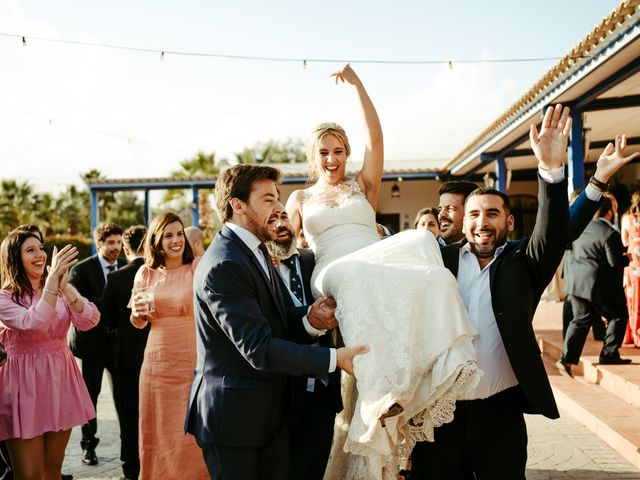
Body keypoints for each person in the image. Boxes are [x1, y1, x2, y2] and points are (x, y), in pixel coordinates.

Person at [411, 110, 638, 479]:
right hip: (440, 418)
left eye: (492, 214)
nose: (482, 222)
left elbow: (555, 231)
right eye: (474, 215)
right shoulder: (437, 261)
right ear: (463, 221)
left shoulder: (522, 262)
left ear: (509, 221)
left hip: (500, 417)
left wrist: (557, 171)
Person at [285, 65, 480, 479]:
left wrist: (358, 85)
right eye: (324, 151)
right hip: (334, 270)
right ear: (313, 156)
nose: (332, 158)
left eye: (338, 150)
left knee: (423, 243)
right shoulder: (300, 197)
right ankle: (379, 388)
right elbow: (282, 241)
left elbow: (376, 137)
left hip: (375, 260)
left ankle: (437, 356)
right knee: (355, 276)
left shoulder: (363, 186)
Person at [185, 164, 366, 480]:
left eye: (277, 198)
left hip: (269, 417)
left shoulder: (252, 251)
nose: (280, 207)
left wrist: (311, 320)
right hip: (234, 422)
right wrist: (334, 358)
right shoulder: (224, 265)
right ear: (237, 205)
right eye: (268, 199)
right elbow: (258, 348)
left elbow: (277, 321)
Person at [0, 228, 99, 479]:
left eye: (41, 248)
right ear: (14, 258)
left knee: (53, 469)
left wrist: (65, 288)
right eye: (30, 250)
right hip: (22, 386)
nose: (40, 254)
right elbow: (34, 322)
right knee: (29, 475)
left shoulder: (57, 287)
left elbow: (90, 320)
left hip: (59, 381)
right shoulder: (5, 298)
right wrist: (53, 284)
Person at [129, 213, 208, 480]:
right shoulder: (145, 272)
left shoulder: (197, 266)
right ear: (157, 241)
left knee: (191, 433)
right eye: (168, 235)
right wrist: (138, 313)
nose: (176, 240)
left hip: (193, 359)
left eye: (179, 234)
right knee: (158, 431)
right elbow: (138, 323)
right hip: (157, 364)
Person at [266, 210, 342, 480]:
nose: (280, 224)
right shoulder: (258, 270)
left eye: (284, 217)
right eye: (272, 220)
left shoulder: (314, 260)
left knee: (315, 468)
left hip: (323, 388)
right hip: (284, 394)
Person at [68, 222, 126, 466]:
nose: (116, 247)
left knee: (124, 397)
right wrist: (109, 304)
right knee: (89, 397)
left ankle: (129, 447)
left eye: (119, 242)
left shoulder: (125, 267)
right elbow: (78, 304)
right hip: (91, 346)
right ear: (99, 243)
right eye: (111, 242)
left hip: (118, 345)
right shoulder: (81, 270)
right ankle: (87, 446)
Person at [559, 191, 631, 375]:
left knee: (580, 320)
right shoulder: (609, 232)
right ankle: (609, 354)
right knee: (619, 316)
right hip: (597, 285)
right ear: (609, 212)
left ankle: (566, 359)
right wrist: (628, 258)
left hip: (576, 282)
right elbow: (615, 262)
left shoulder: (582, 228)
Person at [101, 225, 149, 480]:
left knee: (128, 418)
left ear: (126, 248)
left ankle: (131, 468)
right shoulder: (159, 274)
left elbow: (106, 320)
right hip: (156, 356)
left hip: (126, 360)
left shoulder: (116, 278)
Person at [622, 189, 640, 346]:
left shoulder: (626, 219)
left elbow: (624, 242)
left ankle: (633, 334)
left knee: (632, 300)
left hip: (633, 264)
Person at [437, 181, 479, 245]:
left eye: (450, 209)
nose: (441, 215)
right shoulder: (428, 248)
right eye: (440, 210)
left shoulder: (489, 252)